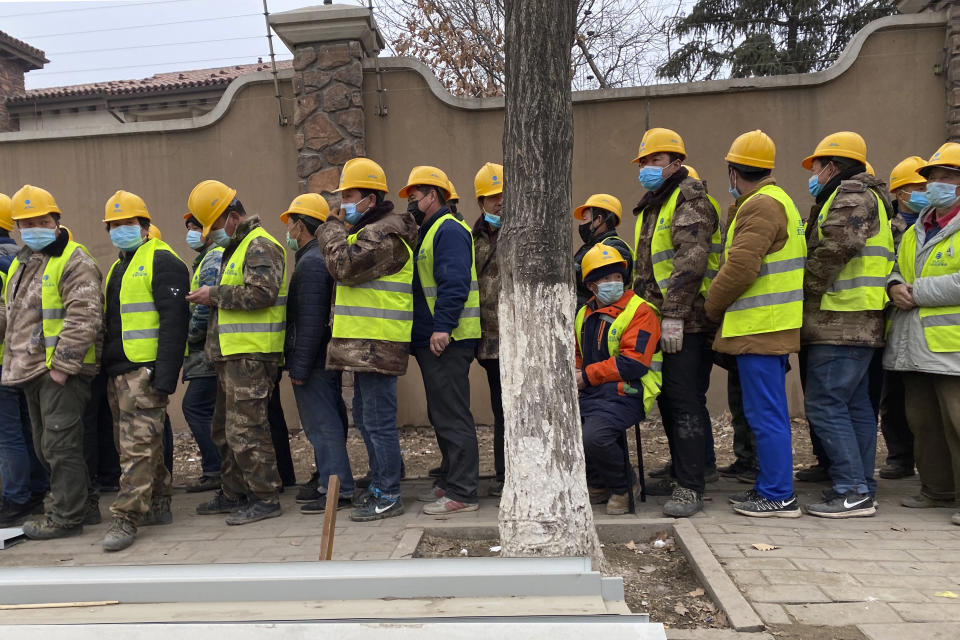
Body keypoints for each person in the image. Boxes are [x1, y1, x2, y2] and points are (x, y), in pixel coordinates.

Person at [705, 130, 805, 518]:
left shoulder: (759, 206)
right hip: (770, 326)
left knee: (766, 415)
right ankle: (770, 487)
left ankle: (779, 494)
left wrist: (712, 307)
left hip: (760, 328)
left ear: (733, 172)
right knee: (767, 413)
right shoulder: (781, 200)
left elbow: (741, 268)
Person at [317, 157, 419, 521]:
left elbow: (343, 266)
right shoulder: (370, 229)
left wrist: (328, 228)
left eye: (349, 194)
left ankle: (389, 493)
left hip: (377, 345)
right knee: (366, 416)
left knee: (377, 421)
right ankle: (380, 483)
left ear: (370, 200)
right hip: (366, 346)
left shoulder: (384, 234)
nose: (343, 202)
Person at [799, 132, 893, 518]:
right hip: (860, 320)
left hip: (841, 320)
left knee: (825, 403)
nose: (814, 174)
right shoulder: (872, 198)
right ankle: (860, 487)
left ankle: (851, 490)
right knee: (855, 406)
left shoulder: (851, 195)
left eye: (817, 166)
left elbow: (837, 247)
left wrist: (802, 288)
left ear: (833, 166)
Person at [1, 185, 103, 539]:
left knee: (60, 446)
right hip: (30, 370)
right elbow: (10, 312)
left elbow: (84, 316)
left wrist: (62, 367)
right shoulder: (22, 261)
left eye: (41, 220)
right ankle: (82, 502)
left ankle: (66, 517)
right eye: (25, 223)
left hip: (59, 372)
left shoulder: (75, 260)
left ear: (56, 220)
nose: (33, 227)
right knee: (49, 446)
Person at [631, 127, 722, 517]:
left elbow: (690, 262)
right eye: (645, 162)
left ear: (676, 162)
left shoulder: (690, 200)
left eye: (655, 160)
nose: (648, 168)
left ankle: (690, 487)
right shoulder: (656, 202)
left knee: (684, 401)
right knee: (670, 401)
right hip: (662, 320)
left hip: (686, 322)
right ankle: (687, 469)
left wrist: (672, 315)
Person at [185, 179, 287, 525]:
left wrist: (212, 294)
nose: (211, 235)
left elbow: (261, 294)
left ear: (231, 217)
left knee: (248, 430)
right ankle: (233, 492)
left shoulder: (260, 246)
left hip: (252, 356)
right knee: (225, 430)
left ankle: (265, 497)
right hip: (232, 356)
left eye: (213, 226)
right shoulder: (237, 247)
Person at [99, 191, 189, 551]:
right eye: (114, 225)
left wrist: (163, 377)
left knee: (137, 448)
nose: (121, 229)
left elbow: (173, 324)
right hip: (120, 372)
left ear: (145, 225)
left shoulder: (163, 261)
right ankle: (160, 499)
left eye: (128, 223)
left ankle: (126, 517)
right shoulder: (119, 265)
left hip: (145, 373)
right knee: (136, 446)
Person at [885, 142, 960, 524]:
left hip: (952, 346)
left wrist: (917, 293)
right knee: (923, 420)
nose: (936, 184)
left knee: (957, 421)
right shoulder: (919, 226)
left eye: (947, 177)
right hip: (915, 342)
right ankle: (937, 490)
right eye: (932, 178)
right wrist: (894, 285)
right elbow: (897, 266)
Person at [403, 165, 482, 515]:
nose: (410, 203)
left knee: (452, 414)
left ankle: (463, 492)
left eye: (414, 196)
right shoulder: (432, 229)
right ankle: (451, 481)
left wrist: (443, 327)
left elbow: (454, 283)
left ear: (432, 195)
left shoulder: (447, 230)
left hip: (448, 339)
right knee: (442, 413)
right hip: (436, 339)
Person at [575, 244, 662, 515]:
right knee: (566, 429)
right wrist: (576, 375)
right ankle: (599, 482)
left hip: (628, 392)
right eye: (605, 278)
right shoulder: (584, 313)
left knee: (594, 437)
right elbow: (579, 354)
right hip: (592, 392)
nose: (614, 283)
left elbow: (633, 363)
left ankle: (625, 487)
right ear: (591, 286)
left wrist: (586, 376)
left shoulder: (640, 311)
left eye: (617, 277)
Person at [281, 193, 352, 514]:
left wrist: (298, 367)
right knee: (327, 422)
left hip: (314, 362)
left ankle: (337, 489)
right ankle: (331, 483)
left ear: (301, 226)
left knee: (322, 425)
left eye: (291, 224)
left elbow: (310, 322)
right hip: (321, 359)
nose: (288, 231)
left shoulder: (311, 263)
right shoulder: (314, 258)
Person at [0, 193, 50, 527]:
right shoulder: (19, 258)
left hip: (4, 360)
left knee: (8, 434)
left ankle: (15, 497)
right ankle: (36, 489)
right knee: (26, 427)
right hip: (22, 357)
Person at [876, 157, 927, 480]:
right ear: (900, 192)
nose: (923, 193)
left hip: (931, 325)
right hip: (893, 320)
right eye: (916, 188)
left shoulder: (935, 225)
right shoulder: (888, 225)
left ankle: (930, 461)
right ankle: (900, 456)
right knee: (893, 397)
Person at [181, 214, 224, 492]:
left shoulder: (212, 258)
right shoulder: (205, 258)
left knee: (195, 406)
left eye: (195, 227)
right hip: (206, 350)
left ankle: (216, 468)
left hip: (207, 351)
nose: (191, 233)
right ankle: (216, 468)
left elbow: (203, 308)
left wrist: (191, 337)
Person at [472, 162, 505, 496]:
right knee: (501, 410)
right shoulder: (474, 237)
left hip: (522, 340)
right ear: (481, 201)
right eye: (491, 196)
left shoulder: (527, 231)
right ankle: (503, 474)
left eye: (503, 194)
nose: (499, 201)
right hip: (490, 343)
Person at [573, 194, 633, 308]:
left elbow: (605, 286)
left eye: (585, 219)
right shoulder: (591, 247)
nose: (581, 224)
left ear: (599, 219)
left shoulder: (614, 248)